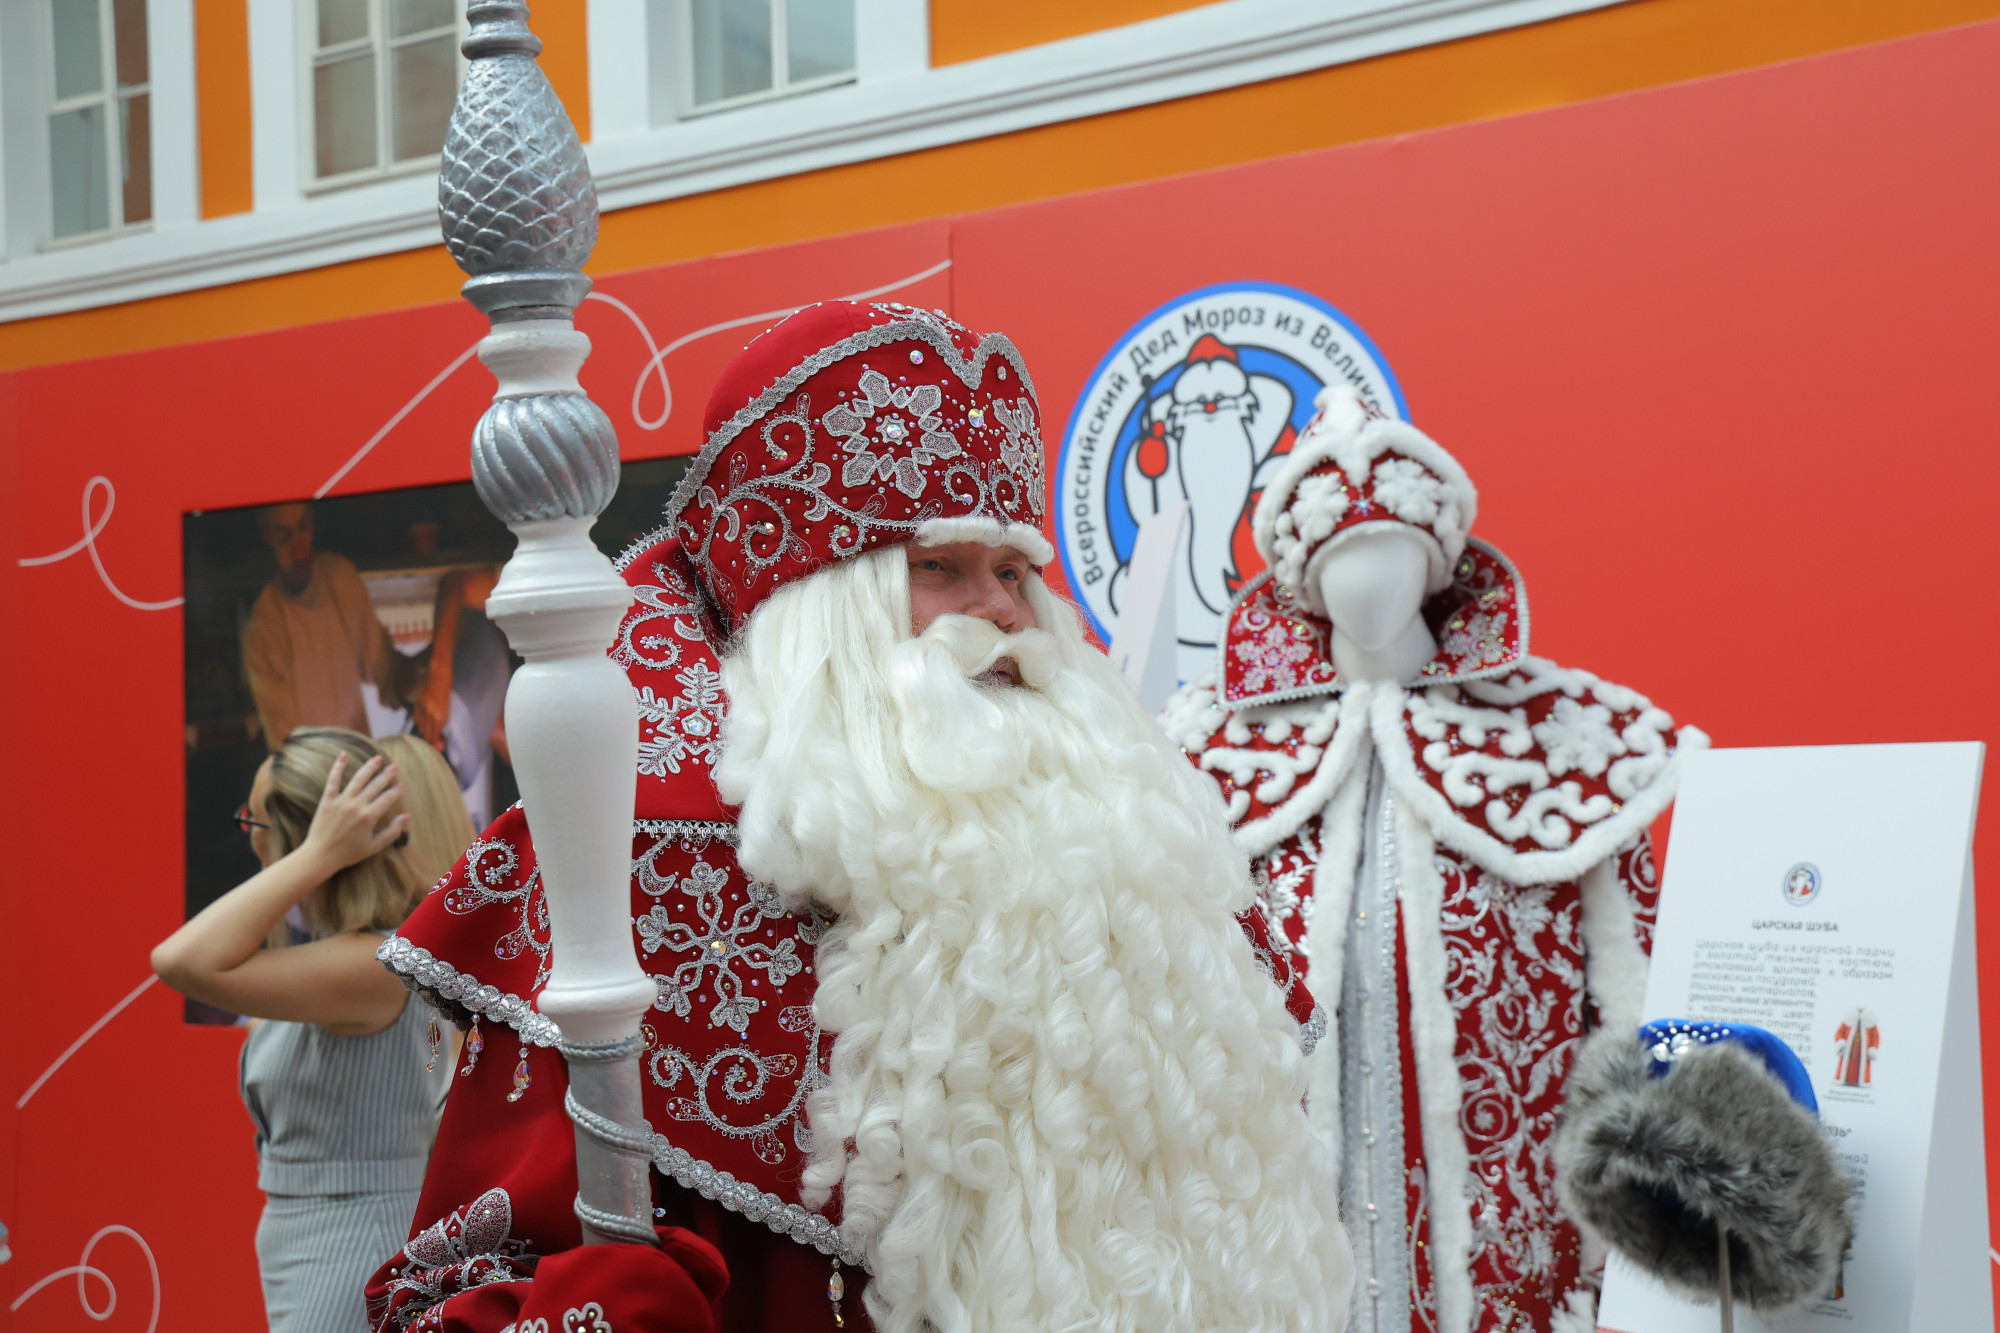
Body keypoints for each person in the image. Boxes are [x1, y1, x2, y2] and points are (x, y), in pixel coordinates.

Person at [366, 302, 1353, 1333]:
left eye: (1014, 571)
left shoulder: (1138, 865)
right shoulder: (637, 862)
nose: (1002, 610)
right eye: (939, 567)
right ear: (819, 616)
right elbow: (445, 1296)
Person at [1162, 385, 1706, 1333]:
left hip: (1513, 1267)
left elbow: (1636, 1008)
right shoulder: (1199, 759)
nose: (1367, 585)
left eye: (1391, 553)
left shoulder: (1563, 748)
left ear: (1437, 560)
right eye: (1342, 561)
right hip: (1273, 1263)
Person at [152, 729, 465, 1332]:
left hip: (352, 1239)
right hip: (316, 1233)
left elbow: (180, 961)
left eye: (255, 823)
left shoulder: (373, 963)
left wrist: (318, 853)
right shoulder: (341, 956)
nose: (248, 839)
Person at [242, 502, 411, 749]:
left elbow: (383, 669)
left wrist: (415, 683)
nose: (299, 549)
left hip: (360, 757)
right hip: (313, 768)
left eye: (303, 528)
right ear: (267, 535)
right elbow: (284, 741)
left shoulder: (340, 578)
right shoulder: (262, 627)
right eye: (283, 536)